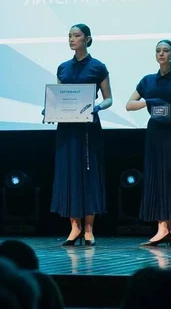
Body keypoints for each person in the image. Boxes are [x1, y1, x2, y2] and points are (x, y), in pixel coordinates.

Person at [50, 24, 112, 246]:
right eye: (69, 36)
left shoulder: (97, 67)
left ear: (87, 39)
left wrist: (98, 107)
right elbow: (59, 97)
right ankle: (74, 227)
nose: (71, 39)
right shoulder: (63, 68)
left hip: (88, 128)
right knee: (69, 174)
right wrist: (50, 109)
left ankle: (88, 229)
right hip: (67, 128)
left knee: (88, 174)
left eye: (76, 36)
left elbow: (108, 98)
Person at [126, 40, 171, 247]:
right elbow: (129, 105)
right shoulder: (147, 81)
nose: (161, 54)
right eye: (158, 51)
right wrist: (147, 102)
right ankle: (161, 229)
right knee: (157, 177)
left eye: (166, 51)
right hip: (155, 133)